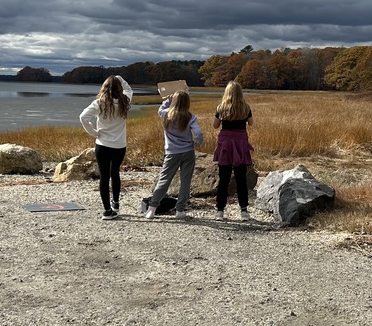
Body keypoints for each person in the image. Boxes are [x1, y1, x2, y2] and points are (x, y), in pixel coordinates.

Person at [143, 90, 204, 220]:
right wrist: (196, 143)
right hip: (187, 151)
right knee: (185, 181)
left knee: (164, 180)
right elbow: (198, 133)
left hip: (172, 152)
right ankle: (180, 210)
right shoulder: (190, 116)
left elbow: (160, 109)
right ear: (187, 102)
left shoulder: (166, 114)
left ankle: (152, 209)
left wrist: (167, 101)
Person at [79, 75, 133, 220]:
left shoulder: (99, 103)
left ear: (104, 88)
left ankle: (107, 211)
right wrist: (119, 78)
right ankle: (115, 203)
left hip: (103, 145)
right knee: (115, 173)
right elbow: (129, 89)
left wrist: (94, 133)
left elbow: (83, 117)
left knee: (104, 177)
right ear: (119, 88)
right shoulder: (125, 101)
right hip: (120, 145)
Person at [212, 81, 254, 221]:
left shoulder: (221, 107)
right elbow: (251, 123)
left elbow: (215, 126)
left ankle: (220, 211)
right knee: (241, 178)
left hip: (225, 143)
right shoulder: (245, 107)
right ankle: (244, 211)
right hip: (240, 142)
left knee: (223, 178)